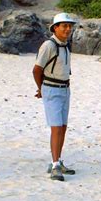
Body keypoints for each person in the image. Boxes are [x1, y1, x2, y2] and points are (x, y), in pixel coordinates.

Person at [33, 12, 76, 181]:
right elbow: (36, 69)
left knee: (63, 127)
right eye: (64, 26)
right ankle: (55, 164)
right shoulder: (48, 46)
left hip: (65, 89)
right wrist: (41, 88)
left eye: (69, 26)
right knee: (56, 128)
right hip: (52, 89)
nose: (67, 29)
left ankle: (57, 161)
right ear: (55, 28)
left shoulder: (65, 44)